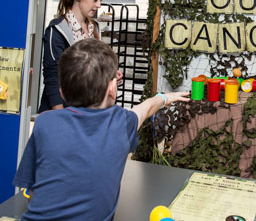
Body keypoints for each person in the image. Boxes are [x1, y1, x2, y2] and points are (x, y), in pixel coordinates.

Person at [13, 38, 190, 220]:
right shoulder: (121, 122)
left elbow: (32, 195)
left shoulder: (44, 123)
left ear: (62, 92)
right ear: (112, 88)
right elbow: (145, 110)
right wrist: (164, 97)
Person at [39, 0, 122, 112]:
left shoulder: (94, 27)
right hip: (62, 111)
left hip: (87, 112)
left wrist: (110, 74)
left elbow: (93, 69)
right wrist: (60, 115)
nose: (99, 5)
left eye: (101, 0)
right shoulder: (57, 29)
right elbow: (52, 77)